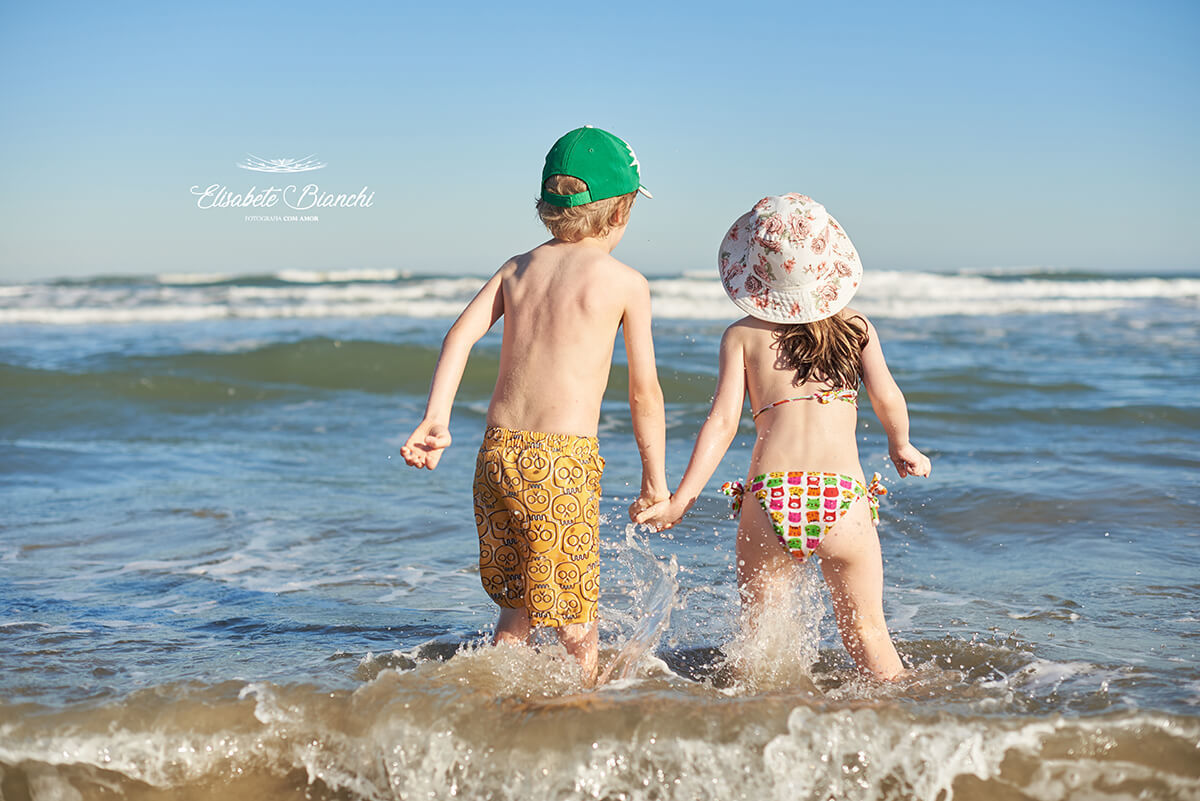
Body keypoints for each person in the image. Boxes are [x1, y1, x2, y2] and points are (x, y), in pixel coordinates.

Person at [401, 126, 668, 683]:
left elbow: (459, 336)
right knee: (576, 620)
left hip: (496, 455)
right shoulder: (624, 282)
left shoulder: (517, 267)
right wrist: (655, 481)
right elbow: (644, 391)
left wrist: (436, 418)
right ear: (620, 212)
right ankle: (579, 718)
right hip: (559, 464)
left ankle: (497, 705)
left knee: (517, 609)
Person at [636, 193, 930, 681]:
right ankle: (902, 725)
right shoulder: (856, 326)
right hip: (843, 498)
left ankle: (765, 731)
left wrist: (681, 498)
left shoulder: (742, 336)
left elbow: (723, 423)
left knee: (760, 644)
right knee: (867, 631)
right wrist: (902, 445)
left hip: (772, 495)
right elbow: (887, 398)